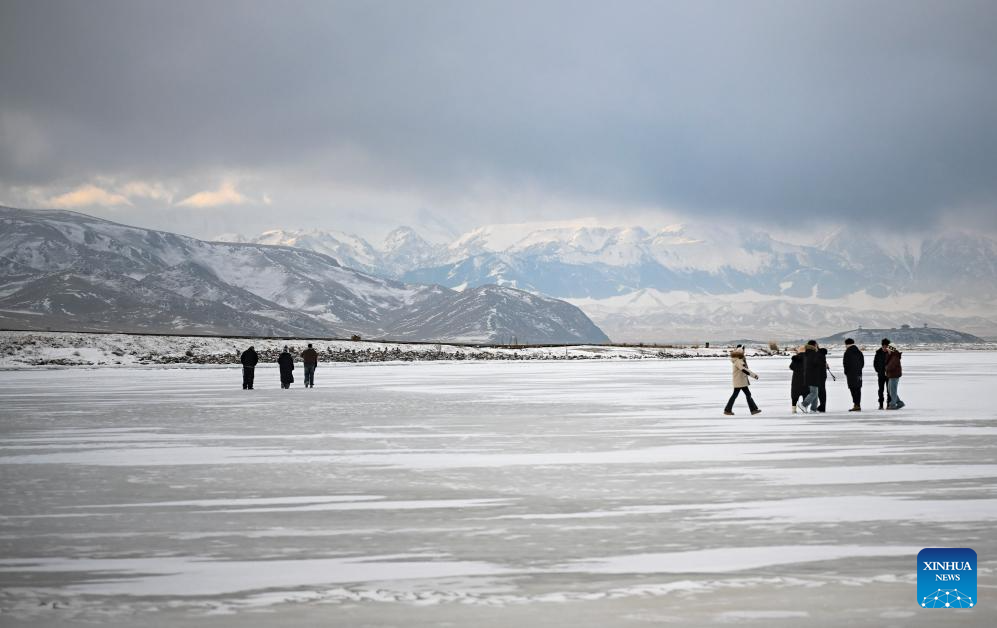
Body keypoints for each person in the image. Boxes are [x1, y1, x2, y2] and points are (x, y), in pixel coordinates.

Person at [724, 347, 761, 416]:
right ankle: (727, 410)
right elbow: (744, 369)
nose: (744, 353)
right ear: (740, 353)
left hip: (741, 381)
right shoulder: (738, 361)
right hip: (740, 382)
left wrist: (744, 360)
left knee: (747, 394)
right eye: (743, 352)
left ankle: (753, 409)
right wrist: (754, 375)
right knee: (736, 395)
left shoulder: (739, 360)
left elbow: (745, 367)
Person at [800, 340, 827, 413]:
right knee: (814, 393)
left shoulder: (807, 353)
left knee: (815, 392)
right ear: (814, 345)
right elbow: (816, 363)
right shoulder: (813, 354)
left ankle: (813, 409)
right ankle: (804, 404)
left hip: (810, 375)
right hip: (813, 375)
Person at [842, 338, 864, 411]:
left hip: (851, 374)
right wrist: (859, 370)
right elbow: (862, 363)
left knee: (853, 389)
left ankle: (856, 405)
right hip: (858, 373)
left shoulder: (847, 352)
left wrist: (846, 372)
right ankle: (857, 404)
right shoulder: (859, 352)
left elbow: (845, 364)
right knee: (858, 389)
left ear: (847, 344)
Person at [873, 338, 892, 410]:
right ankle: (881, 405)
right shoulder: (878, 352)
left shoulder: (891, 352)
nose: (885, 348)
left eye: (886, 346)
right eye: (884, 346)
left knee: (889, 390)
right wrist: (878, 371)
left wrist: (891, 349)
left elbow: (897, 355)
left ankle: (888, 404)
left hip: (889, 375)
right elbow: (875, 363)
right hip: (881, 374)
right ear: (882, 346)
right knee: (881, 390)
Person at [885, 344, 905, 409]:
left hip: (894, 375)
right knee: (890, 390)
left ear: (891, 349)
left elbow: (891, 366)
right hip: (891, 375)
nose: (887, 350)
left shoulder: (895, 356)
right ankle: (899, 403)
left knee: (892, 390)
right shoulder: (891, 356)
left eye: (888, 349)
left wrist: (886, 368)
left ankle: (892, 405)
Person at [789, 345, 808, 413]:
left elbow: (791, 367)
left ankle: (794, 409)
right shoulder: (808, 358)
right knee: (805, 394)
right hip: (806, 379)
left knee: (794, 396)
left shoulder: (795, 358)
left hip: (796, 380)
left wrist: (797, 369)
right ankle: (804, 408)